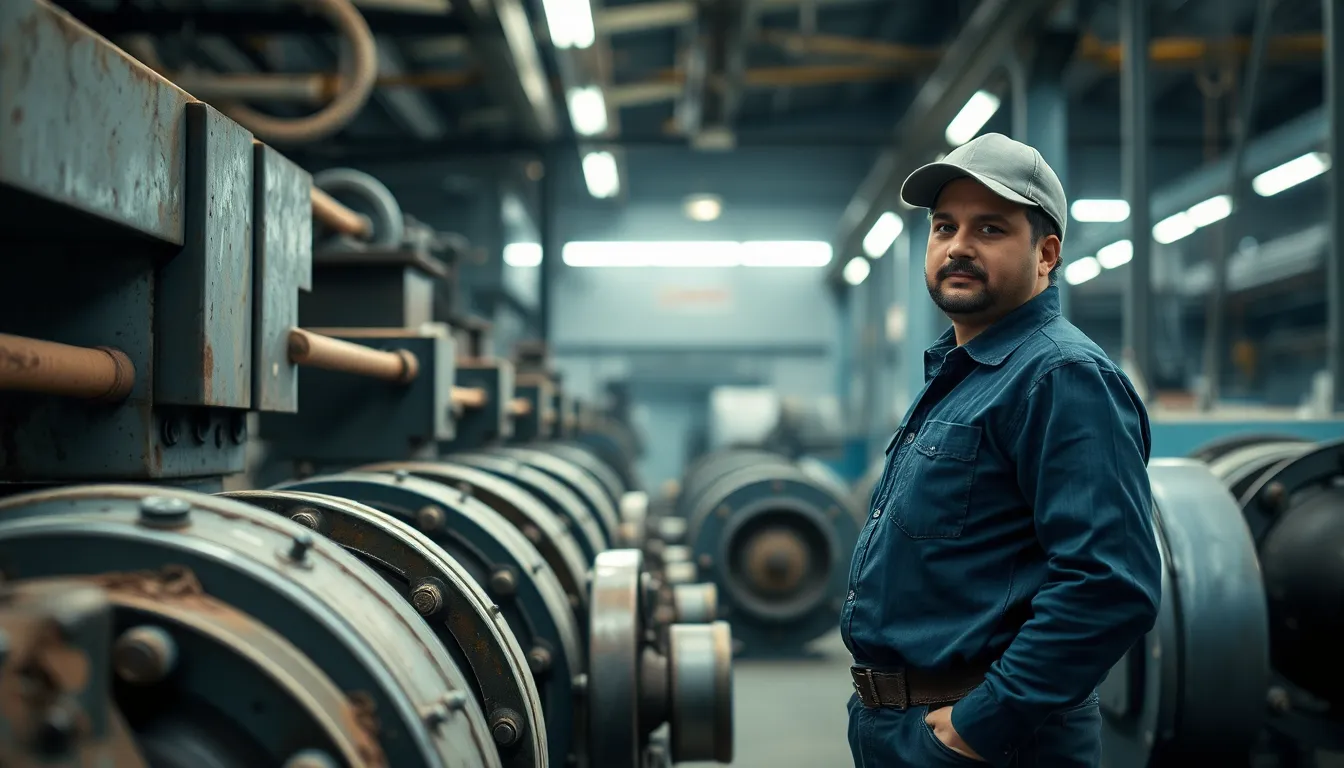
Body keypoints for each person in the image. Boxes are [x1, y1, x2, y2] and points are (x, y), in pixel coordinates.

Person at [840, 132, 1162, 767]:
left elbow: (1109, 584)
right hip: (904, 729)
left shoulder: (1060, 376)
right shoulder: (966, 374)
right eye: (944, 227)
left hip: (990, 744)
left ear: (1046, 255)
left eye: (989, 229)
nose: (958, 246)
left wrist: (976, 727)